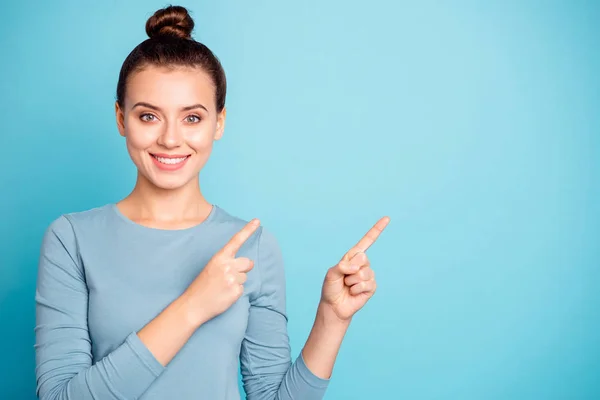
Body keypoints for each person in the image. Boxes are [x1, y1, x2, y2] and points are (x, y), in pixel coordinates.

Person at [34, 5, 389, 400]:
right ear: (121, 119)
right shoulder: (72, 239)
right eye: (149, 116)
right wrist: (192, 307)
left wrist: (332, 318)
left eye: (192, 118)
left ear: (218, 122)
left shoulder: (251, 245)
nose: (170, 139)